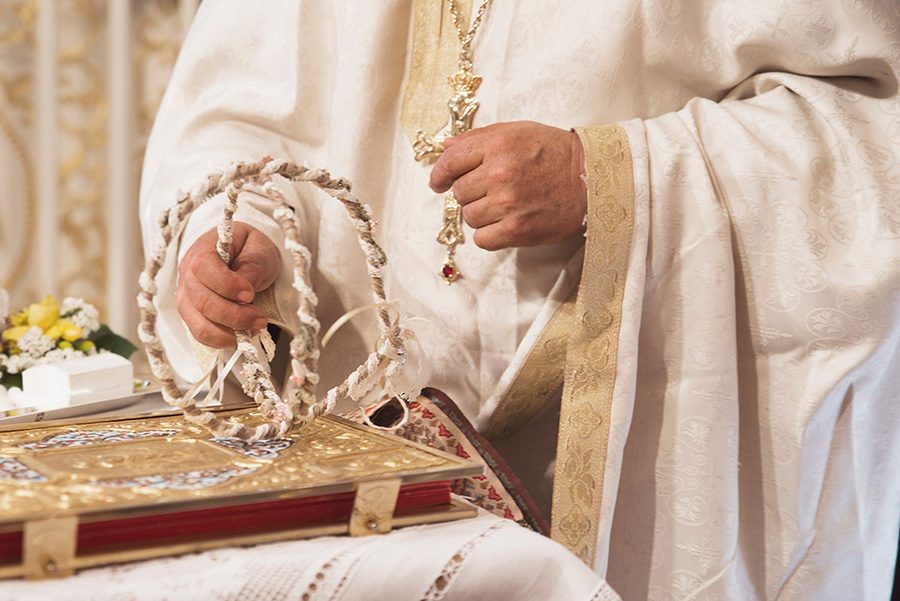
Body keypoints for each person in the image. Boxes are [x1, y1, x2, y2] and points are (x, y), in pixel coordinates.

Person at [140, 0, 900, 598]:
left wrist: (601, 174)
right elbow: (237, 112)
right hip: (361, 458)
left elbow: (870, 132)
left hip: (638, 452)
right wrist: (231, 229)